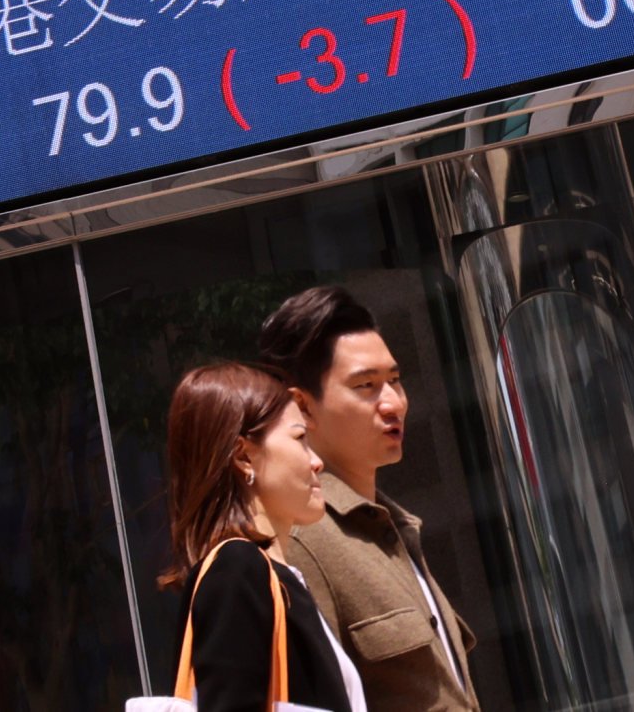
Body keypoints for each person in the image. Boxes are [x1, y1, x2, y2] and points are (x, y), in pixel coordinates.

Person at [257, 288, 477, 711]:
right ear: (301, 406)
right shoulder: (301, 541)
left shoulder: (392, 526)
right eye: (366, 386)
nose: (394, 402)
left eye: (395, 380)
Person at [159, 361, 366, 712]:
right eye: (300, 438)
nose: (316, 461)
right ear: (243, 456)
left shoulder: (269, 576)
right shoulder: (237, 569)